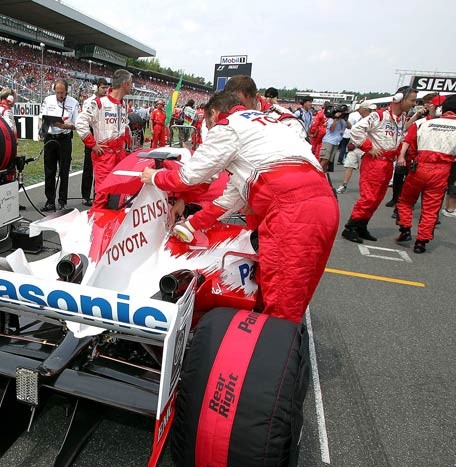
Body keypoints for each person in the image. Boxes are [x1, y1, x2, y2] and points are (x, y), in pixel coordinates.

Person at [140, 90, 338, 324]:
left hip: (292, 212)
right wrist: (192, 224)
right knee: (283, 289)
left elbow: (190, 177)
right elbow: (230, 199)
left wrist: (155, 177)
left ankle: (268, 352)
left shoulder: (227, 127)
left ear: (213, 113)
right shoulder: (269, 124)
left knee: (282, 306)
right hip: (322, 203)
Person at [342, 86, 417, 243]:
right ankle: (350, 228)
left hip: (388, 163)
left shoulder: (402, 117)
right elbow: (355, 130)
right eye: (412, 100)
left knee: (377, 198)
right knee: (369, 197)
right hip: (375, 163)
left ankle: (362, 226)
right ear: (398, 99)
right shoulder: (379, 115)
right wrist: (369, 147)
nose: (414, 103)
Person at [395, 95, 456, 253]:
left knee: (405, 201)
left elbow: (411, 145)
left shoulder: (423, 124)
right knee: (430, 209)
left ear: (443, 108)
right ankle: (421, 242)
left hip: (419, 167)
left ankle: (405, 228)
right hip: (442, 170)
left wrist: (411, 162)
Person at [75, 70, 132, 208]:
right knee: (102, 194)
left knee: (119, 194)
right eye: (130, 83)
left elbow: (124, 127)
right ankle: (95, 226)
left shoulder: (123, 105)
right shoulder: (98, 103)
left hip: (120, 154)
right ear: (124, 83)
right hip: (104, 155)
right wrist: (92, 144)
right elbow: (80, 123)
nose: (131, 86)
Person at [40, 79, 79, 211]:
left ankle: (62, 201)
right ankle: (50, 200)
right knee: (49, 171)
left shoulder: (73, 103)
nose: (60, 95)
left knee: (64, 171)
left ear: (67, 91)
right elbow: (43, 118)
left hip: (64, 139)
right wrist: (42, 132)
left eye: (62, 93)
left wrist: (65, 126)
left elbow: (77, 124)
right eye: (57, 92)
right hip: (50, 138)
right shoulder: (48, 100)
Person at [77, 78, 108, 206]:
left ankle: (98, 194)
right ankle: (85, 196)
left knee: (101, 170)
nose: (105, 90)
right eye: (103, 87)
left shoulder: (107, 102)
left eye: (106, 88)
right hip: (92, 135)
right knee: (88, 167)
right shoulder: (89, 102)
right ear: (96, 88)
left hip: (103, 136)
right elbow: (85, 121)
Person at [336, 103, 376, 193]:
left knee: (365, 170)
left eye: (360, 108)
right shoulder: (360, 119)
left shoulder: (373, 120)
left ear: (365, 109)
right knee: (349, 165)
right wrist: (346, 120)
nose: (359, 110)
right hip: (355, 146)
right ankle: (344, 185)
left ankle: (366, 188)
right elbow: (352, 129)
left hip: (366, 148)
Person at [319, 108, 350, 173]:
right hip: (328, 141)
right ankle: (316, 172)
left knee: (328, 161)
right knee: (325, 159)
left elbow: (350, 127)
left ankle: (323, 174)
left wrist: (346, 119)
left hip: (336, 142)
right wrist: (335, 119)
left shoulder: (343, 121)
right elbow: (332, 129)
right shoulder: (331, 120)